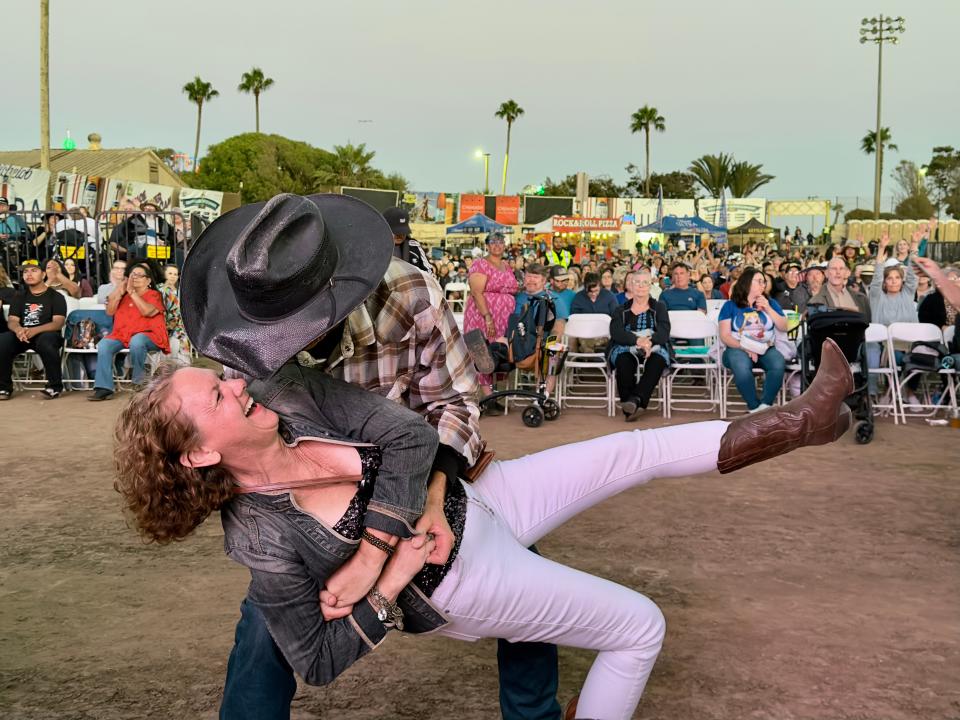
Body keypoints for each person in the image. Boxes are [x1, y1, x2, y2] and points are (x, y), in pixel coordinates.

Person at [114, 346, 853, 720]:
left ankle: (801, 423)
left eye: (224, 376)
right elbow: (316, 658)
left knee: (633, 451)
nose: (238, 383)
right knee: (640, 627)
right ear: (200, 453)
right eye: (217, 393)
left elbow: (406, 432)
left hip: (473, 495)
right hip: (463, 580)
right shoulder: (258, 538)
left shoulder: (291, 393)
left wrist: (382, 544)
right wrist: (396, 581)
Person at [180, 194, 558, 720]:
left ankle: (534, 715)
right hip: (322, 502)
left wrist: (430, 495)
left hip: (421, 471)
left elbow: (454, 401)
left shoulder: (408, 292)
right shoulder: (238, 330)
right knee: (267, 621)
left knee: (526, 571)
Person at [89, 261, 169, 400]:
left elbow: (147, 312)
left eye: (139, 275)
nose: (135, 277)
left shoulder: (154, 295)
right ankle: (104, 387)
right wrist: (118, 293)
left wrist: (133, 294)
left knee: (137, 341)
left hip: (150, 335)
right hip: (122, 334)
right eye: (133, 274)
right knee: (104, 345)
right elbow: (110, 311)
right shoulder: (124, 294)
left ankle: (138, 382)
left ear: (148, 280)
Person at [718, 267, 789, 412]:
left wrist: (768, 308)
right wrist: (745, 347)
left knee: (777, 363)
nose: (763, 285)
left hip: (765, 348)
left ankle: (764, 405)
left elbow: (784, 326)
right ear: (747, 283)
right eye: (759, 281)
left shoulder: (771, 303)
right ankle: (754, 407)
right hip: (737, 348)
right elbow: (725, 335)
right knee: (741, 366)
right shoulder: (730, 306)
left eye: (764, 282)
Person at [463, 231, 518, 404]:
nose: (497, 245)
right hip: (482, 314)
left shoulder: (506, 265)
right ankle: (488, 398)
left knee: (497, 351)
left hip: (503, 317)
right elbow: (476, 292)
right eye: (493, 242)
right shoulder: (480, 264)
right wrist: (487, 316)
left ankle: (494, 394)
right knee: (482, 352)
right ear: (487, 245)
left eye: (500, 242)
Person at [608, 269, 670, 420]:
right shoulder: (621, 309)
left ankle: (634, 401)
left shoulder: (659, 307)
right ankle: (632, 405)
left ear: (650, 285)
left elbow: (664, 331)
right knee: (623, 361)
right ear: (631, 285)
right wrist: (637, 341)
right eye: (637, 282)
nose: (641, 286)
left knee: (657, 361)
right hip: (626, 346)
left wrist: (649, 342)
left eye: (645, 282)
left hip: (653, 347)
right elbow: (616, 332)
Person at [0, 259, 67, 399]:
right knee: (3, 341)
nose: (29, 274)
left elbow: (58, 323)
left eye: (34, 270)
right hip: (23, 335)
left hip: (46, 334)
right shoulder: (19, 296)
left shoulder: (56, 296)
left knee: (46, 342)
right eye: (26, 271)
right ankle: (4, 388)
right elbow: (12, 320)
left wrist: (34, 330)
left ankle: (54, 387)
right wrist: (18, 330)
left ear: (43, 275)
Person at [865, 235, 920, 404]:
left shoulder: (908, 293)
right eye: (890, 278)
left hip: (910, 345)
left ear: (902, 281)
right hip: (885, 347)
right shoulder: (877, 297)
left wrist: (914, 245)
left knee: (919, 356)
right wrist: (881, 249)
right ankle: (885, 392)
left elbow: (912, 275)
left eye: (897, 278)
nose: (894, 281)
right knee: (893, 356)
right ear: (885, 282)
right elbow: (876, 279)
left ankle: (907, 393)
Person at [383, 206, 431, 273]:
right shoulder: (376, 247)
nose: (400, 235)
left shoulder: (414, 246)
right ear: (385, 228)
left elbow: (428, 271)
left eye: (403, 232)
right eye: (396, 232)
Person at [160, 264, 191, 363]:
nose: (173, 276)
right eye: (170, 273)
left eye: (175, 274)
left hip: (180, 328)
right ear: (164, 274)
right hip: (165, 328)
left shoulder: (179, 291)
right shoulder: (160, 290)